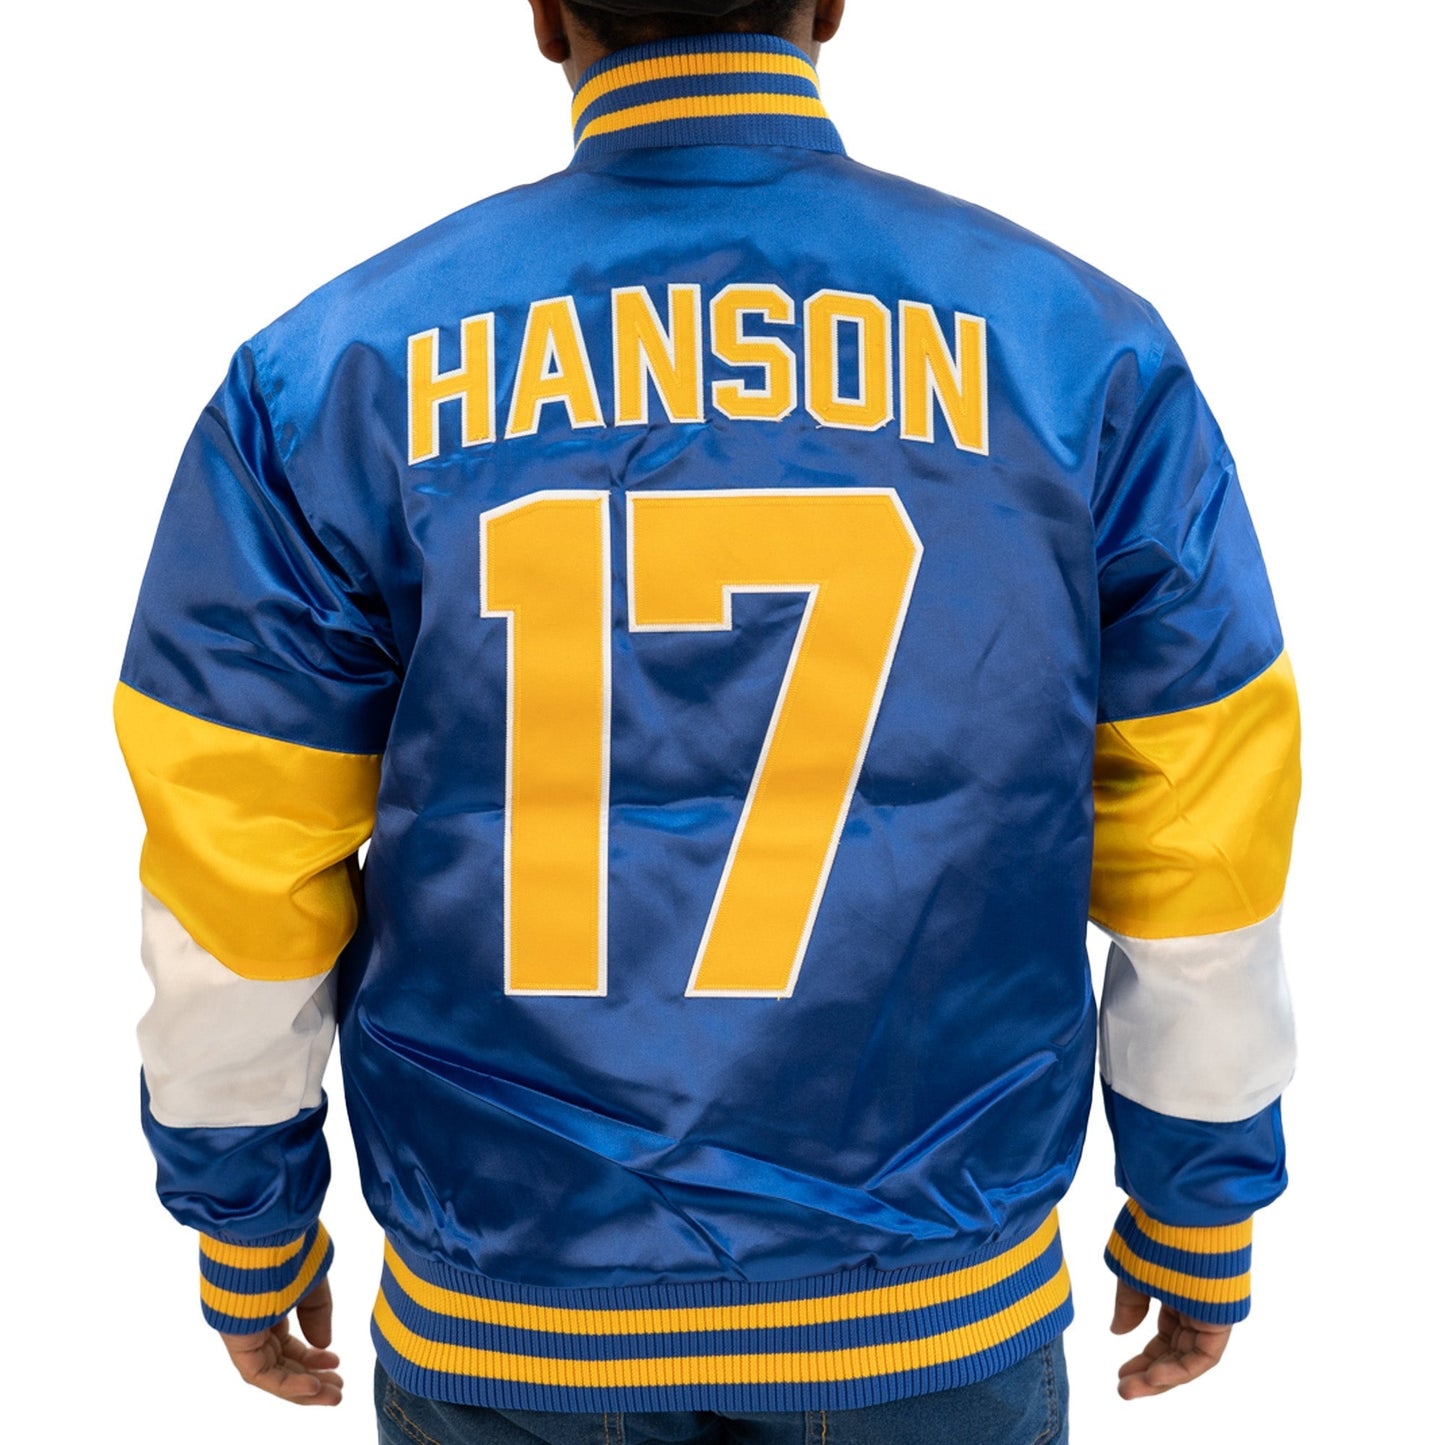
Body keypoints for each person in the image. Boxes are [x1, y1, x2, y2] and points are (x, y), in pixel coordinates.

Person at [114, 1, 1301, 1441]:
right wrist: (1195, 1190)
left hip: (514, 1314)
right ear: (832, 3)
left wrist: (247, 1214)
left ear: (545, 16)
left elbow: (236, 864)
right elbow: (1204, 835)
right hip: (929, 1312)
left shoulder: (327, 375)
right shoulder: (1081, 354)